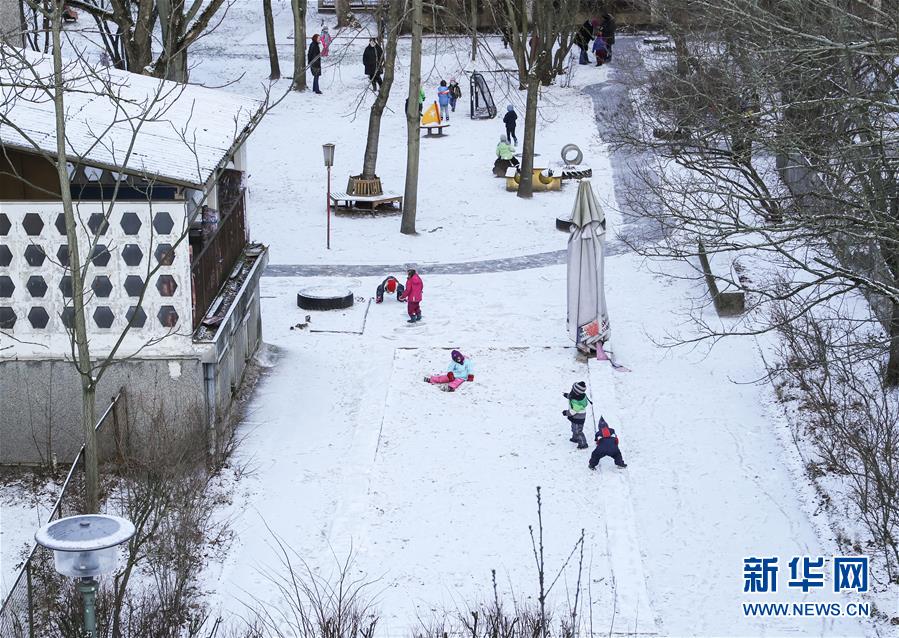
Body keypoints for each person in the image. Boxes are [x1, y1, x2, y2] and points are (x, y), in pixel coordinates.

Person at [562, 381, 590, 449]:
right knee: (574, 428)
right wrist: (567, 395)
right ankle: (575, 438)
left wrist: (566, 413)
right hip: (576, 417)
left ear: (576, 392)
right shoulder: (580, 395)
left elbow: (573, 411)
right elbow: (572, 396)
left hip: (578, 417)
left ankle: (583, 444)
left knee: (578, 431)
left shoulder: (576, 402)